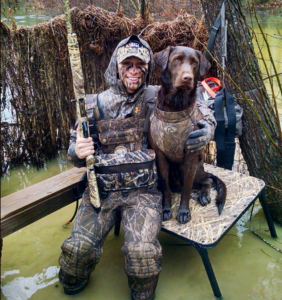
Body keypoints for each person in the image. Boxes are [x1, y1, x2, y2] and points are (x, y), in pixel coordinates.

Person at [59, 35, 216, 300]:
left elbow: (199, 104)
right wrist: (77, 151)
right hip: (103, 192)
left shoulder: (157, 96)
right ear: (116, 67)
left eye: (139, 65)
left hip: (142, 192)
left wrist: (208, 128)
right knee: (76, 254)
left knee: (142, 261)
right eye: (127, 64)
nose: (133, 71)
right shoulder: (94, 103)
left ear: (147, 68)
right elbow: (74, 149)